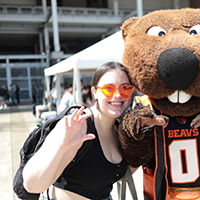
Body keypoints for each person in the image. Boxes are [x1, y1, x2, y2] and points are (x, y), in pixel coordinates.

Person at [22, 61, 136, 200]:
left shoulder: (120, 130)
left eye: (125, 88)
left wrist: (143, 145)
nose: (117, 95)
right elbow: (32, 185)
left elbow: (115, 175)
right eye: (109, 88)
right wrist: (61, 147)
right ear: (95, 93)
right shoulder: (77, 125)